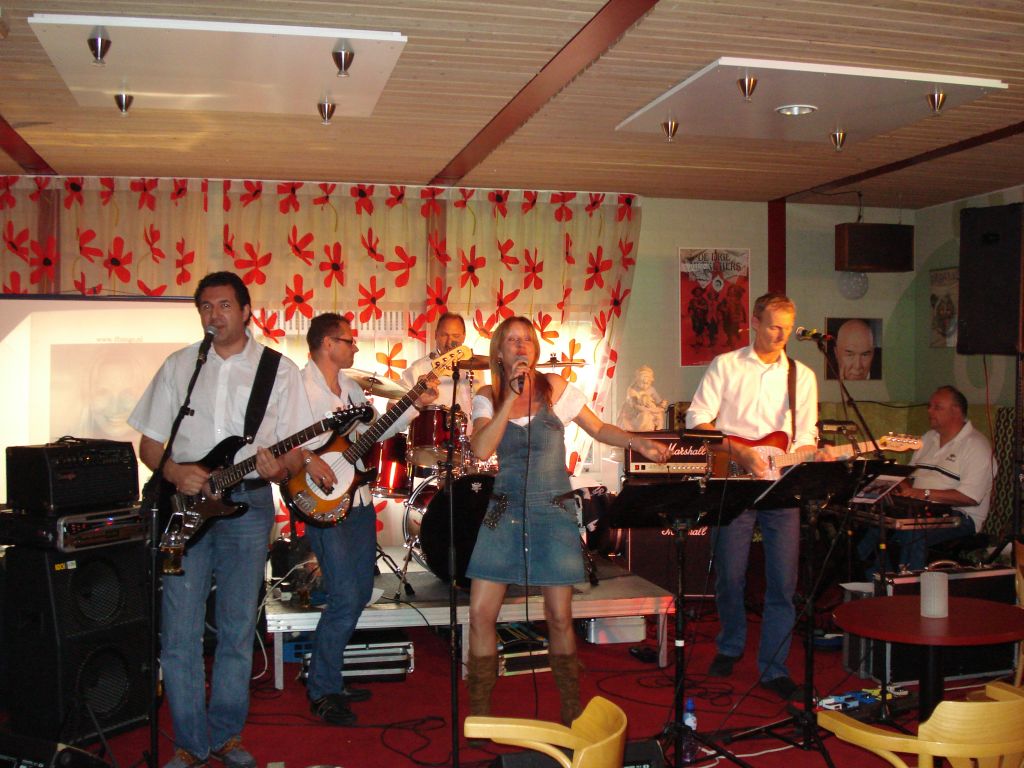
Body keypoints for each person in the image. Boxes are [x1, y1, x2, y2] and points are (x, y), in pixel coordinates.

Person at [129, 271, 328, 768]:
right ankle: (189, 743)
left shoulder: (278, 371)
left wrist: (280, 467)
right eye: (205, 307)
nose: (213, 315)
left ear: (245, 312)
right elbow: (149, 443)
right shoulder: (180, 365)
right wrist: (174, 471)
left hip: (249, 505)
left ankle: (226, 736)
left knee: (238, 628)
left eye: (223, 306)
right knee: (180, 630)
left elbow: (294, 452)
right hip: (184, 506)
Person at [465, 316, 670, 724]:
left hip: (553, 512)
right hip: (504, 513)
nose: (521, 346)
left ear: (535, 348)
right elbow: (482, 449)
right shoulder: (486, 396)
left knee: (559, 616)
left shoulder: (555, 388)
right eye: (512, 340)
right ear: (499, 352)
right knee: (480, 615)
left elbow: (599, 428)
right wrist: (509, 398)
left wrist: (638, 442)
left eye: (527, 339)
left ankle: (571, 705)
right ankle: (481, 708)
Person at [685, 292, 825, 700]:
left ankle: (774, 667)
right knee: (730, 574)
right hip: (733, 478)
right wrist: (739, 451)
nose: (781, 335)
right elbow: (697, 419)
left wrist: (807, 453)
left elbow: (806, 434)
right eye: (774, 326)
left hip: (781, 484)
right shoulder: (726, 365)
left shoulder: (802, 376)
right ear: (755, 322)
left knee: (783, 582)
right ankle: (730, 644)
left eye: (788, 328)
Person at [299, 313, 438, 725]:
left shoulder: (352, 388)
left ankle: (328, 678)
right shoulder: (297, 388)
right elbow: (281, 439)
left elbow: (372, 434)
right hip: (321, 501)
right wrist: (308, 460)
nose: (355, 347)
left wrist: (414, 404)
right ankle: (322, 689)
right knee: (345, 595)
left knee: (359, 592)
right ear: (328, 343)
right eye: (349, 340)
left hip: (357, 501)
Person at [858, 385, 995, 574]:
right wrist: (894, 481)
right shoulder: (928, 438)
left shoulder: (976, 446)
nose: (930, 411)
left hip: (959, 517)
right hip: (920, 508)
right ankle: (874, 582)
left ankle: (910, 586)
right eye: (929, 406)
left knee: (912, 532)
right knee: (873, 524)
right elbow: (912, 481)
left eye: (937, 407)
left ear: (956, 411)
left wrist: (923, 494)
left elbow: (970, 497)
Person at [617, 365, 668, 432]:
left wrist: (662, 404)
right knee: (644, 416)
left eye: (647, 383)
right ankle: (642, 431)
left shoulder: (651, 389)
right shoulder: (632, 390)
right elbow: (635, 406)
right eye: (643, 382)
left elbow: (658, 400)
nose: (645, 385)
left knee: (658, 416)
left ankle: (657, 429)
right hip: (634, 412)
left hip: (648, 408)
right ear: (637, 380)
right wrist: (651, 410)